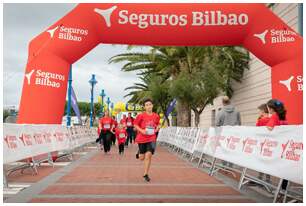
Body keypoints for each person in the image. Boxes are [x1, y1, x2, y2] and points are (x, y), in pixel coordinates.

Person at [134, 98, 160, 182]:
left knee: (148, 155)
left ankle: (145, 174)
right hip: (142, 138)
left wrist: (157, 128)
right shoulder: (141, 115)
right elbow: (135, 124)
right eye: (147, 105)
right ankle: (139, 153)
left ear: (152, 105)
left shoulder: (156, 116)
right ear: (144, 107)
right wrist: (141, 130)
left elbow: (158, 124)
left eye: (150, 104)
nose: (148, 106)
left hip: (152, 138)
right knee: (142, 158)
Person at [266, 99, 288, 191]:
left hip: (279, 145)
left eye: (268, 108)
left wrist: (266, 124)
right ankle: (283, 188)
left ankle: (281, 189)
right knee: (285, 167)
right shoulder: (283, 116)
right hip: (285, 143)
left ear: (271, 109)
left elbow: (269, 128)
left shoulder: (274, 116)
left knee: (279, 166)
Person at [215, 96, 241, 168]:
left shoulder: (220, 112)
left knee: (223, 149)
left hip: (224, 135)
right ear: (229, 101)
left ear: (223, 102)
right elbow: (239, 123)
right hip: (234, 135)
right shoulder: (237, 111)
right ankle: (230, 165)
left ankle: (224, 165)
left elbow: (217, 124)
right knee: (232, 149)